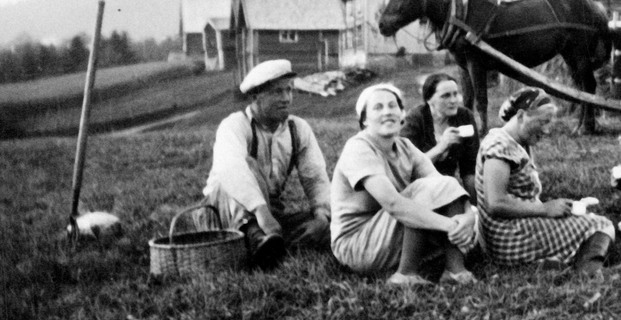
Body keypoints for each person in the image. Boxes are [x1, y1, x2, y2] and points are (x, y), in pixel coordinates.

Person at [329, 83, 477, 286]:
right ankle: (405, 275)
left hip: (389, 234)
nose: (387, 112)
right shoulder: (358, 148)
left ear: (402, 114)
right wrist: (451, 226)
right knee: (420, 191)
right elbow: (393, 204)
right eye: (378, 108)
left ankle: (455, 271)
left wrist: (468, 216)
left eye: (392, 106)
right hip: (358, 244)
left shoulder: (404, 146)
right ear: (364, 120)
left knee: (443, 182)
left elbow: (445, 185)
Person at [201, 59, 331, 270]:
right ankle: (257, 240)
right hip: (224, 213)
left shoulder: (298, 129)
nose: (286, 98)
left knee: (331, 225)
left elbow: (315, 177)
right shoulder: (234, 125)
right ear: (255, 96)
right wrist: (261, 213)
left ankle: (271, 243)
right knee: (246, 166)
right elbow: (231, 170)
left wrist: (321, 216)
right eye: (277, 92)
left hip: (270, 215)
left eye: (289, 90)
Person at [476, 87, 615, 277]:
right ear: (521, 115)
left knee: (586, 218)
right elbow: (495, 203)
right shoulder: (499, 146)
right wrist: (545, 209)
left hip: (513, 227)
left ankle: (553, 262)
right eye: (543, 122)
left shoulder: (515, 141)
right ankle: (588, 270)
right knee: (600, 224)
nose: (547, 130)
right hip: (507, 236)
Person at [399, 73, 480, 204]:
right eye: (446, 96)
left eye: (455, 94)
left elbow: (470, 169)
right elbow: (408, 170)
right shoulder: (415, 121)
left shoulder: (464, 117)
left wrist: (475, 205)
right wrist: (441, 147)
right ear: (429, 99)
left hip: (448, 187)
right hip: (415, 190)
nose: (454, 100)